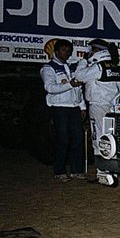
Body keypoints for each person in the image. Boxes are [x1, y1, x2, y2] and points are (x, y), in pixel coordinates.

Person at [74, 39, 120, 183]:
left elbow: (79, 76)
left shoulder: (98, 67)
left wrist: (83, 61)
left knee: (98, 139)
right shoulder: (113, 66)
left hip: (98, 106)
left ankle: (102, 173)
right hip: (112, 107)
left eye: (91, 50)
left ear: (96, 50)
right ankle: (111, 172)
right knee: (110, 139)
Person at [40, 38, 87, 181]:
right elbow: (50, 88)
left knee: (78, 138)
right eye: (63, 50)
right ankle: (59, 171)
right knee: (63, 140)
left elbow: (79, 88)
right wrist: (70, 85)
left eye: (68, 51)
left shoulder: (71, 67)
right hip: (59, 108)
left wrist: (82, 106)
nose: (66, 53)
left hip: (74, 107)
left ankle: (76, 170)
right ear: (56, 51)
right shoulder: (48, 68)